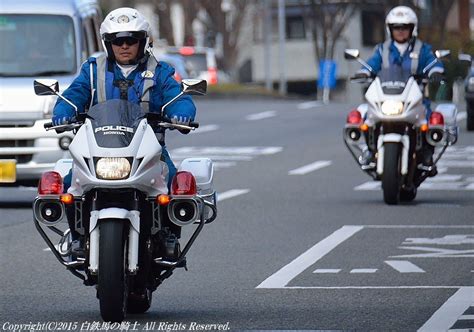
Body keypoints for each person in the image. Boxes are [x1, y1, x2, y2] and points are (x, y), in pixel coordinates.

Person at [52, 7, 195, 261]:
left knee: (175, 182)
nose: (125, 46)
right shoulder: (93, 70)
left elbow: (177, 97)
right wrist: (63, 111)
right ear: (109, 43)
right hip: (100, 145)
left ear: (143, 42)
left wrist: (181, 112)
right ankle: (76, 236)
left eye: (132, 40)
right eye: (118, 41)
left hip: (149, 148)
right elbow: (74, 94)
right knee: (66, 184)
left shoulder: (159, 71)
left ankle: (169, 236)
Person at [355, 5, 443, 173]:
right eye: (396, 27)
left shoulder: (422, 49)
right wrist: (363, 72)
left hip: (415, 98)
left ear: (412, 29)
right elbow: (371, 64)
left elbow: (434, 62)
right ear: (390, 29)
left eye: (405, 27)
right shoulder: (383, 49)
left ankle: (426, 154)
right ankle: (370, 151)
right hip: (388, 95)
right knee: (366, 118)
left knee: (431, 120)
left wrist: (436, 71)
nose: (400, 31)